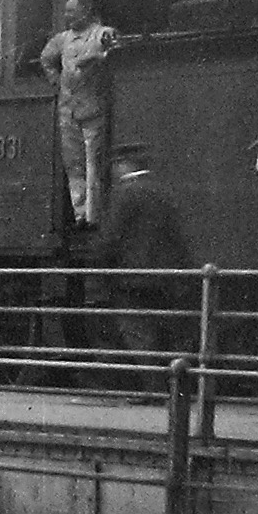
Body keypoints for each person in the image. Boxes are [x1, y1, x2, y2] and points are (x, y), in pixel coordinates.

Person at [90, 142, 194, 393]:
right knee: (164, 334)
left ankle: (152, 390)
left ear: (124, 165)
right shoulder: (161, 192)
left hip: (132, 279)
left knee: (138, 335)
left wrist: (97, 266)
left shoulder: (124, 194)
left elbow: (111, 238)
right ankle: (174, 390)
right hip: (165, 279)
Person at [38, 0, 117, 227]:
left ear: (86, 11)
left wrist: (99, 48)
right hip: (67, 109)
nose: (67, 16)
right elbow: (46, 58)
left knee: (93, 162)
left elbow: (108, 41)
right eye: (66, 12)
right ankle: (80, 213)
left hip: (92, 107)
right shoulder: (62, 39)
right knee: (74, 164)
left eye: (72, 11)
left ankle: (94, 215)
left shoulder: (99, 32)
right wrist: (56, 80)